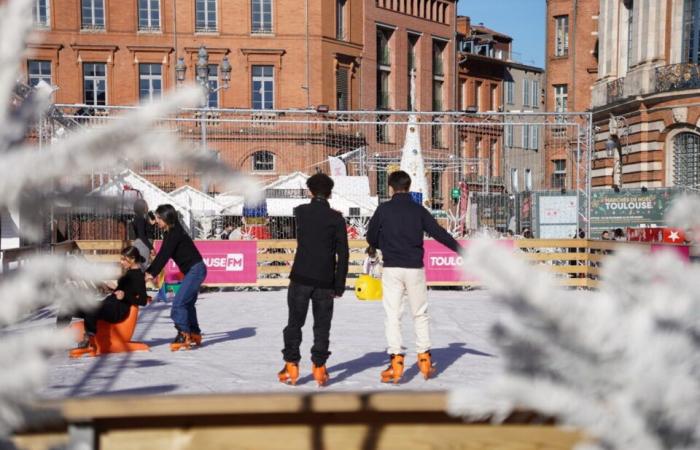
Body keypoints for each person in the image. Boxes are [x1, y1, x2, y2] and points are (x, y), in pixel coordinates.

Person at [366, 170, 461, 384]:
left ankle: (396, 360)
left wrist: (383, 244)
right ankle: (425, 357)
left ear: (390, 187)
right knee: (420, 313)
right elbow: (439, 233)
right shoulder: (419, 210)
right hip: (415, 268)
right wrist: (460, 250)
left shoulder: (383, 209)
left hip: (392, 268)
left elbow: (371, 236)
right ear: (409, 187)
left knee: (393, 315)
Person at [278, 173, 349, 387]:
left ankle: (291, 364)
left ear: (310, 190)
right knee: (322, 326)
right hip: (325, 280)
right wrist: (339, 284)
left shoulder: (300, 212)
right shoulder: (336, 218)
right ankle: (319, 366)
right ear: (330, 193)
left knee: (294, 323)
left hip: (300, 277)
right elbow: (343, 254)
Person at [58, 246, 148, 350]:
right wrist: (112, 288)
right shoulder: (129, 273)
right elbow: (122, 290)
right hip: (109, 304)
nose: (121, 262)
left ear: (132, 259)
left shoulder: (139, 277)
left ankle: (89, 339)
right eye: (121, 259)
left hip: (117, 310)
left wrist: (125, 296)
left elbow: (143, 301)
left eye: (124, 259)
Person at [145, 204, 207, 351]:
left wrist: (150, 273)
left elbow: (164, 255)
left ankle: (183, 333)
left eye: (159, 218)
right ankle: (193, 332)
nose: (157, 221)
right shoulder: (171, 232)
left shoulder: (174, 233)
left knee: (178, 304)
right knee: (187, 304)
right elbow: (163, 254)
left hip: (195, 270)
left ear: (166, 218)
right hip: (195, 270)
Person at [132, 199, 155, 271]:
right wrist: (151, 247)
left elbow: (145, 232)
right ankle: (139, 281)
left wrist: (151, 224)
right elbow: (142, 235)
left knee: (143, 265)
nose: (147, 207)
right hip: (143, 244)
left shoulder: (142, 218)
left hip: (143, 243)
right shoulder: (140, 218)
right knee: (142, 266)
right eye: (146, 205)